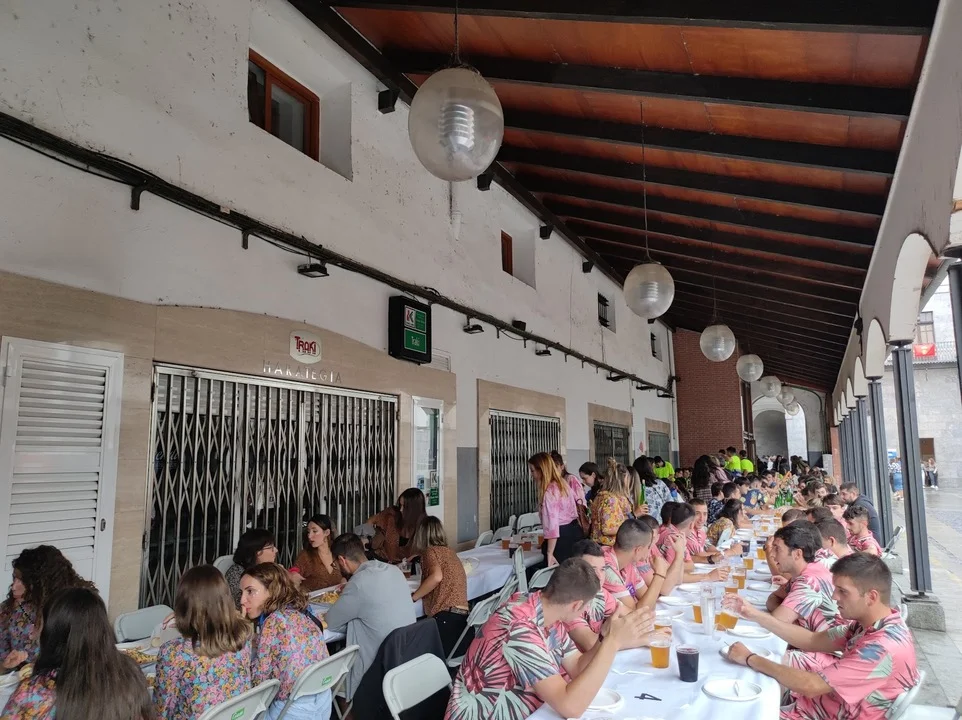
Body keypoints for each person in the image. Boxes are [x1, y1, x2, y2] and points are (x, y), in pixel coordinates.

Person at [444, 559, 651, 720]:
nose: (585, 611)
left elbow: (577, 666)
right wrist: (613, 643)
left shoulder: (545, 611)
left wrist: (604, 637)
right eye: (586, 606)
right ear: (575, 605)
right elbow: (571, 707)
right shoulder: (520, 627)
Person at [724, 554, 919, 720]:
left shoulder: (881, 647)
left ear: (872, 597)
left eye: (842, 591)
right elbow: (813, 640)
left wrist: (750, 658)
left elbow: (811, 685)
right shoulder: (872, 625)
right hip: (814, 706)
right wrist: (753, 614)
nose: (834, 597)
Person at [1, 587, 152, 719]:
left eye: (40, 624)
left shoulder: (34, 692)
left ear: (52, 633)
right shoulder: (128, 672)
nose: (33, 633)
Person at [324, 533, 416, 700]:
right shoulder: (394, 570)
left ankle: (352, 709)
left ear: (342, 560)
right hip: (407, 659)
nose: (336, 568)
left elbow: (331, 622)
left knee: (331, 680)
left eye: (335, 564)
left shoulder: (358, 584)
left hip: (375, 668)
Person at [154, 566, 253, 719]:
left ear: (183, 604)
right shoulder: (242, 640)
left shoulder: (174, 653)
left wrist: (184, 616)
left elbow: (161, 712)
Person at [239, 563, 330, 720]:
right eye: (241, 593)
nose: (242, 600)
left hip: (293, 709)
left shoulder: (273, 621)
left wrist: (241, 637)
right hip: (323, 699)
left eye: (250, 592)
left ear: (271, 590)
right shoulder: (300, 612)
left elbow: (258, 682)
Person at [755, 522, 839, 671]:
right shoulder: (808, 569)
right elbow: (772, 599)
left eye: (777, 549)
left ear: (797, 554)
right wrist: (794, 621)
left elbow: (775, 622)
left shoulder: (809, 582)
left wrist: (787, 617)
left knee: (764, 659)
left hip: (831, 656)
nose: (772, 554)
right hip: (814, 643)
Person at [0, 545, 95, 668]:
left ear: (42, 584)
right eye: (14, 578)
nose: (14, 587)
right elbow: (2, 663)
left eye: (23, 581)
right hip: (20, 678)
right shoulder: (8, 611)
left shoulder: (75, 609)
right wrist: (6, 666)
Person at [565, 540, 658, 652]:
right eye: (592, 570)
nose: (599, 576)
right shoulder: (568, 602)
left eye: (602, 569)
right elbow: (591, 644)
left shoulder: (600, 593)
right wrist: (642, 640)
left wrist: (649, 631)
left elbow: (633, 617)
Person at [410, 516, 469, 656]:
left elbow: (436, 577)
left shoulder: (430, 552)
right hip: (462, 621)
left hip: (446, 619)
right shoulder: (450, 552)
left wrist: (414, 597)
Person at [599, 518, 671, 608]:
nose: (650, 550)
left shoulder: (629, 562)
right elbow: (638, 611)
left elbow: (649, 602)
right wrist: (660, 574)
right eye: (649, 546)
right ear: (638, 550)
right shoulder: (605, 567)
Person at [531, 451, 586, 566]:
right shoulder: (562, 484)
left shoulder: (550, 491)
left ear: (541, 470)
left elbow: (553, 525)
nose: (531, 475)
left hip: (561, 538)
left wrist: (549, 552)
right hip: (574, 531)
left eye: (532, 471)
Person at [368, 488, 427, 563]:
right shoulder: (392, 514)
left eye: (404, 507)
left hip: (407, 567)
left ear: (414, 509)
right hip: (382, 561)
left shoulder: (425, 527)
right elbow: (371, 521)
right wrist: (370, 537)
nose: (401, 509)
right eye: (400, 505)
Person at [225, 528, 278, 608]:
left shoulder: (270, 571)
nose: (276, 550)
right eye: (271, 547)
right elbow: (241, 604)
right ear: (257, 552)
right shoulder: (236, 573)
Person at [293, 514, 343, 593]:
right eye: (308, 532)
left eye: (315, 531)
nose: (309, 536)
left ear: (327, 532)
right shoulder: (305, 556)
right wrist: (293, 575)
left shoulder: (337, 554)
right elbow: (294, 571)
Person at [589, 459, 633, 547]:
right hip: (608, 546)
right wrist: (629, 527)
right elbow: (608, 529)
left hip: (599, 544)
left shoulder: (601, 496)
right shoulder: (610, 500)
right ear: (623, 479)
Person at [633, 456, 670, 523]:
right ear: (650, 469)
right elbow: (670, 502)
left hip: (642, 525)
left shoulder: (634, 488)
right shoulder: (659, 484)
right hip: (661, 523)